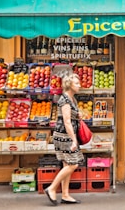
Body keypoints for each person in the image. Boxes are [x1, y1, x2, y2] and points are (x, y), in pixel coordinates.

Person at [45, 73, 84, 205]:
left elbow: (70, 118)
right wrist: (74, 140)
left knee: (67, 164)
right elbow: (66, 122)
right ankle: (52, 188)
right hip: (64, 136)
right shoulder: (65, 100)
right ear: (69, 85)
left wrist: (78, 116)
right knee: (74, 163)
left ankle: (66, 194)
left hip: (68, 135)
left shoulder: (72, 99)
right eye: (76, 83)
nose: (79, 85)